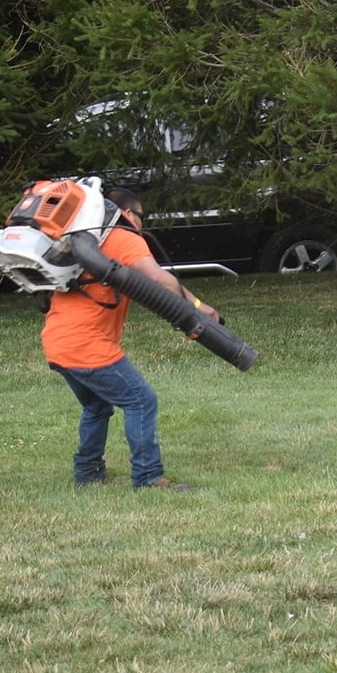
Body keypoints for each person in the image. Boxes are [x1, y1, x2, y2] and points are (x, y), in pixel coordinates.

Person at [45, 187, 220, 491]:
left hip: (57, 341)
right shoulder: (122, 238)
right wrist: (198, 308)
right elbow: (157, 279)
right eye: (141, 216)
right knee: (141, 400)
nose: (142, 223)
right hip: (87, 345)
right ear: (127, 214)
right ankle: (148, 477)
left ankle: (87, 474)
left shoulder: (89, 240)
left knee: (97, 407)